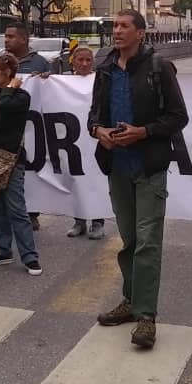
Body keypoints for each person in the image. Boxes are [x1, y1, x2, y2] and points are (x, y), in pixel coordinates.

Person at [89, 10, 189, 349]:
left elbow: (178, 116)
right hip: (117, 166)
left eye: (124, 26)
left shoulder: (159, 67)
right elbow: (93, 115)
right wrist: (98, 131)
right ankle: (130, 301)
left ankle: (146, 317)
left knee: (148, 242)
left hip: (149, 166)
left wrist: (143, 132)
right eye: (114, 26)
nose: (116, 31)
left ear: (141, 33)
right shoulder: (104, 68)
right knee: (130, 240)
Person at [0, 52, 43, 275]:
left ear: (8, 72)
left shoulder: (20, 97)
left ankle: (30, 256)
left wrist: (9, 89)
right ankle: (3, 250)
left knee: (17, 208)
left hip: (11, 159)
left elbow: (4, 109)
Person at [3, 21, 50, 231]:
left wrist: (46, 80)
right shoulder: (1, 62)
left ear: (23, 39)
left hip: (31, 127)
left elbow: (52, 93)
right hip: (6, 127)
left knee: (31, 171)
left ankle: (31, 213)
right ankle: (6, 212)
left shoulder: (40, 63)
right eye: (6, 36)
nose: (7, 40)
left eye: (11, 36)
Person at [59, 46, 106, 240]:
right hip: (72, 140)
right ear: (73, 61)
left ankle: (97, 222)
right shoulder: (62, 82)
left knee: (95, 180)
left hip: (94, 138)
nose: (85, 64)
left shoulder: (101, 81)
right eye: (80, 60)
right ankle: (79, 221)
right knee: (76, 179)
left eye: (88, 60)